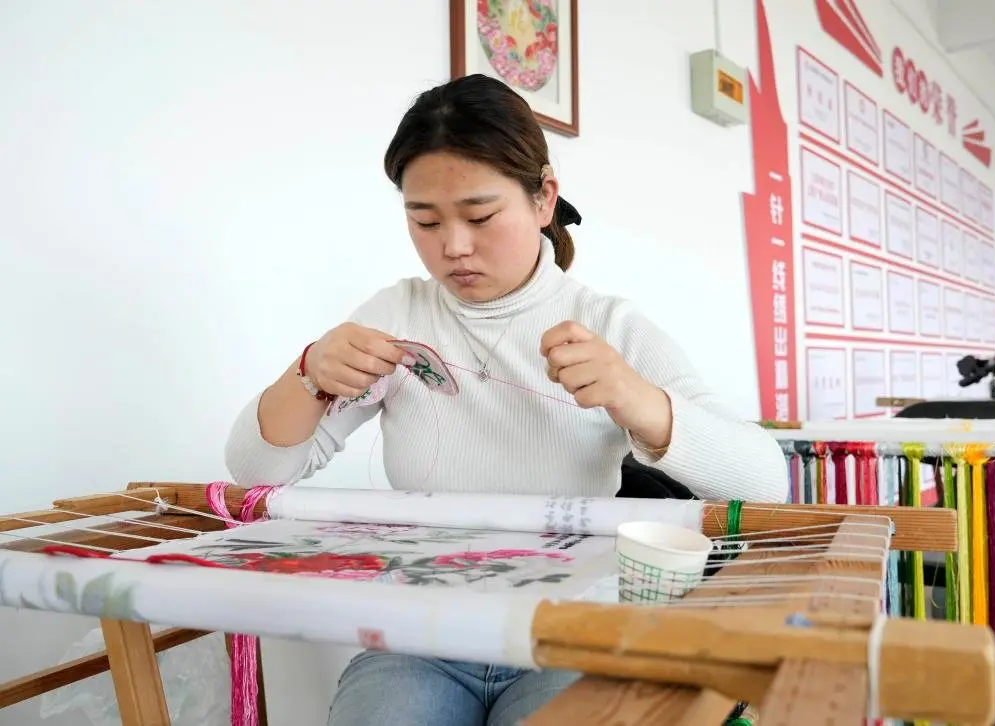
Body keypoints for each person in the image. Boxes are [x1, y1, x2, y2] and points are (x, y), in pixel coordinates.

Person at [224, 73, 789, 726]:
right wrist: (309, 372)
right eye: (424, 220)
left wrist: (637, 400)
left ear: (543, 198)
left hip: (574, 633)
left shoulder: (609, 325)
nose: (453, 247)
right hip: (422, 634)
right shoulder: (397, 313)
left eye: (479, 216)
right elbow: (255, 473)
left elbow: (765, 480)